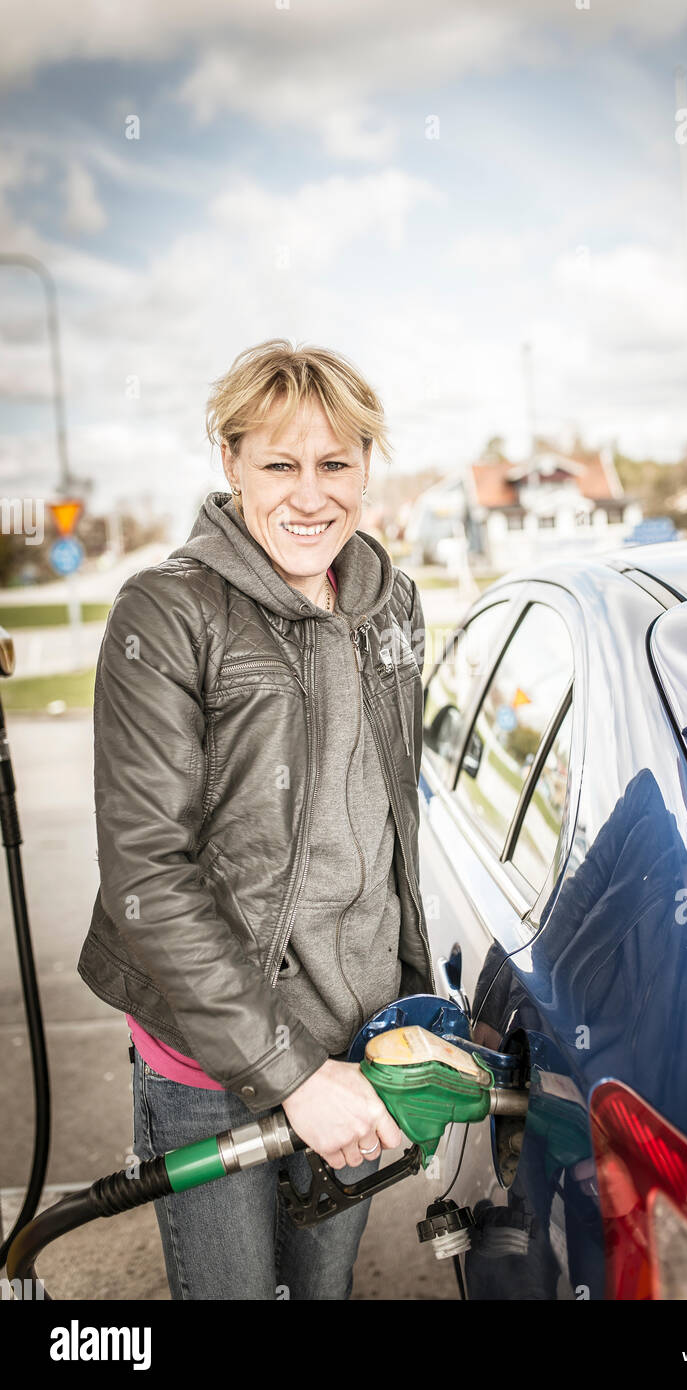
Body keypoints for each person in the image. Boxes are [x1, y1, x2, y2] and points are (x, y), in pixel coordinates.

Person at [77, 338, 434, 1299]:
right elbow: (148, 871)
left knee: (319, 1292)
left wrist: (417, 1006)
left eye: (335, 463)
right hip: (211, 1061)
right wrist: (291, 1075)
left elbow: (393, 820)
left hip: (359, 1043)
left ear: (367, 466)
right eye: (279, 463)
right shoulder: (165, 614)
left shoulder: (393, 603)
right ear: (230, 462)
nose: (309, 494)